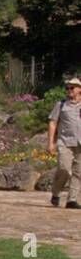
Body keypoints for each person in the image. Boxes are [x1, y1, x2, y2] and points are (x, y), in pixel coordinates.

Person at [47, 76, 81, 209]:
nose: (69, 90)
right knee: (64, 169)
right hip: (65, 142)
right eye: (67, 88)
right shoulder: (61, 105)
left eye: (72, 87)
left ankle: (71, 200)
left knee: (79, 173)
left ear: (79, 89)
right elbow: (52, 123)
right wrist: (50, 143)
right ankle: (56, 192)